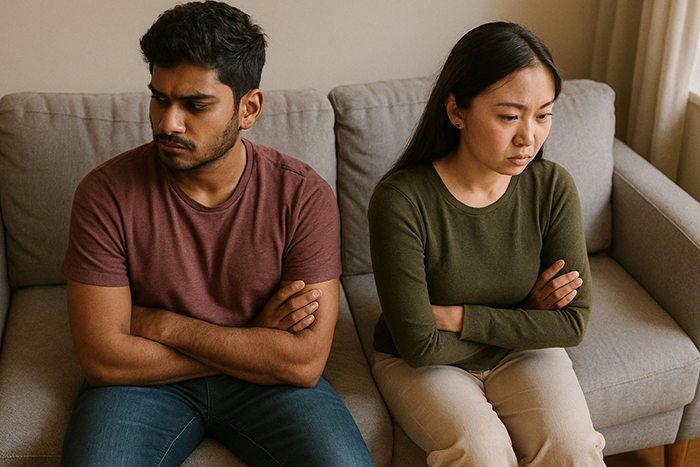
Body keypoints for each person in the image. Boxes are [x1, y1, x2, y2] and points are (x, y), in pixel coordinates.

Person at [59, 2, 373, 466]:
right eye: (160, 98)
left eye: (196, 104)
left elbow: (303, 363)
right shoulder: (105, 194)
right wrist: (254, 342)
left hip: (264, 389)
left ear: (249, 108)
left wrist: (160, 325)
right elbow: (106, 361)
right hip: (141, 387)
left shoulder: (303, 195)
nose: (168, 123)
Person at [368, 22, 606, 466]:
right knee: (481, 453)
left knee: (574, 449)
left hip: (516, 351)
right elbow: (419, 345)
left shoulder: (551, 187)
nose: (528, 137)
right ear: (456, 111)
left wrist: (456, 317)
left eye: (543, 115)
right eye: (509, 116)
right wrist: (527, 319)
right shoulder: (400, 200)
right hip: (424, 364)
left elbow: (572, 324)